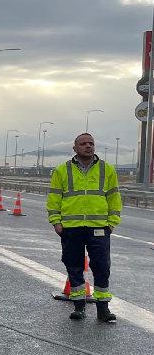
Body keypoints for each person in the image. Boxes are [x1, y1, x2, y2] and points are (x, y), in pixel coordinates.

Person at [47, 132, 121, 322]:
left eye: (91, 143)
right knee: (74, 266)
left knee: (102, 267)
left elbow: (114, 198)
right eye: (83, 144)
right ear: (75, 148)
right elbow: (54, 197)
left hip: (99, 227)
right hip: (71, 227)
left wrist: (111, 223)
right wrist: (56, 221)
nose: (88, 146)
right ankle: (79, 307)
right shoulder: (62, 170)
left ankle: (103, 309)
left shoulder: (107, 169)